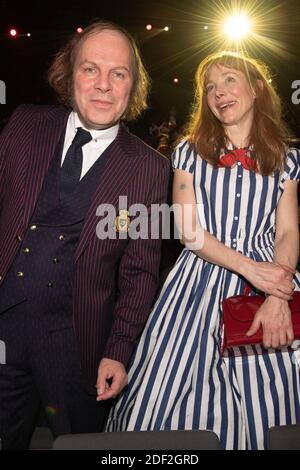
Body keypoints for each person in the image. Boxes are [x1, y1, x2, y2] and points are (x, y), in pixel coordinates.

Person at [106, 51, 300, 450]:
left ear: (257, 88)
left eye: (229, 80)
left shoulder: (287, 158)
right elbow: (187, 231)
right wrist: (252, 270)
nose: (219, 92)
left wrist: (278, 293)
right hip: (199, 281)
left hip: (274, 277)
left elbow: (288, 231)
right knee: (167, 399)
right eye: (210, 87)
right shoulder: (189, 152)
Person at [0, 20, 170, 449]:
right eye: (90, 69)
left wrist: (119, 348)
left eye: (119, 73)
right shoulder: (24, 125)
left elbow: (141, 273)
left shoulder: (150, 168)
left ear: (134, 86)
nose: (104, 85)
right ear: (69, 74)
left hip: (77, 347)